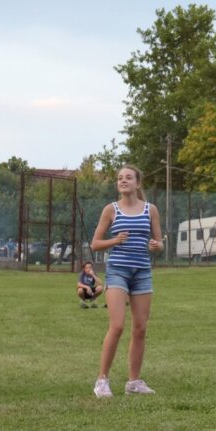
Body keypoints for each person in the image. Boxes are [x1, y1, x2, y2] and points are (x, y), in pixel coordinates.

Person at [89, 165, 162, 398]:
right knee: (118, 325)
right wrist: (115, 241)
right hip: (117, 271)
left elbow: (159, 243)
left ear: (137, 183)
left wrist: (156, 245)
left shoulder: (150, 210)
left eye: (128, 178)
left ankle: (133, 382)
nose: (123, 181)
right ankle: (102, 380)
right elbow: (95, 244)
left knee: (140, 328)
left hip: (142, 272)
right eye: (120, 178)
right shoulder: (111, 210)